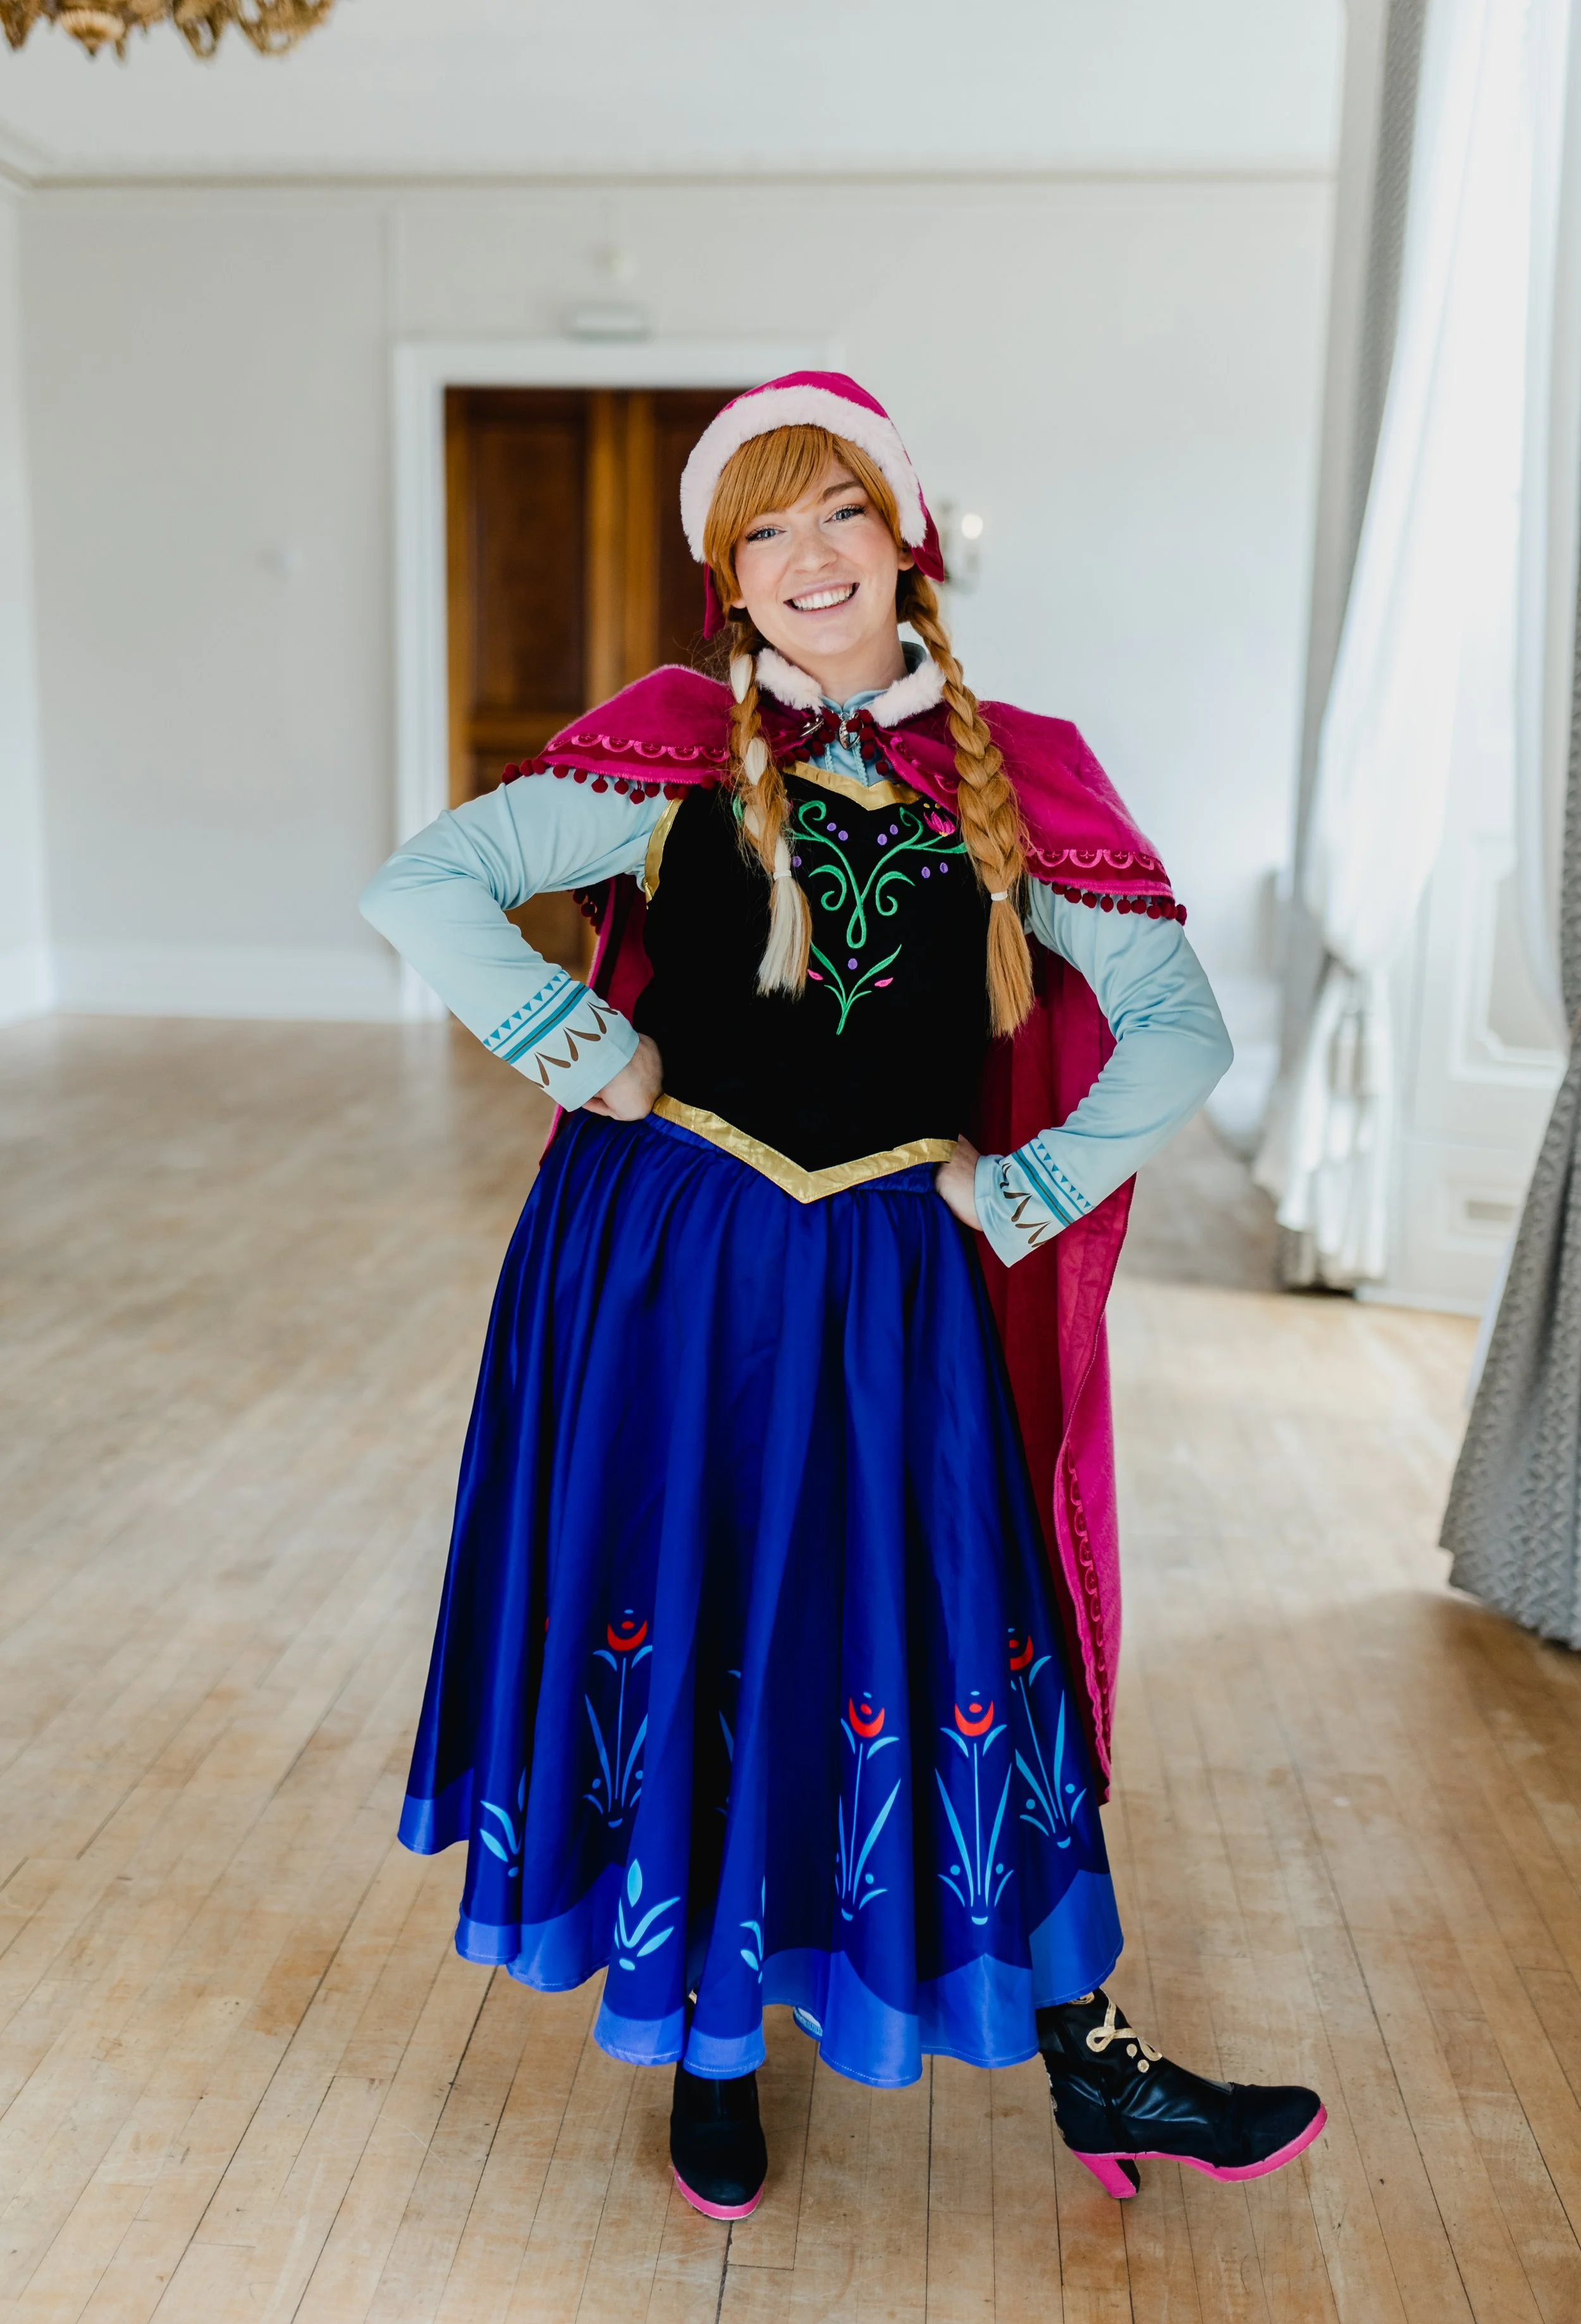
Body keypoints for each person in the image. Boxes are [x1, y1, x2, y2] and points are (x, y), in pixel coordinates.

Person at [360, 372, 1326, 2216]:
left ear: (908, 540)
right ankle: (710, 2051)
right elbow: (424, 887)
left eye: (840, 515)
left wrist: (1026, 1185)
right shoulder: (662, 748)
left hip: (892, 1283)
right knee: (707, 1611)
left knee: (961, 1631)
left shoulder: (1018, 769)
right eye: (764, 531)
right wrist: (582, 1048)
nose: (809, 558)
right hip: (672, 1268)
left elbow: (1177, 1027)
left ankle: (1092, 2058)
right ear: (728, 576)